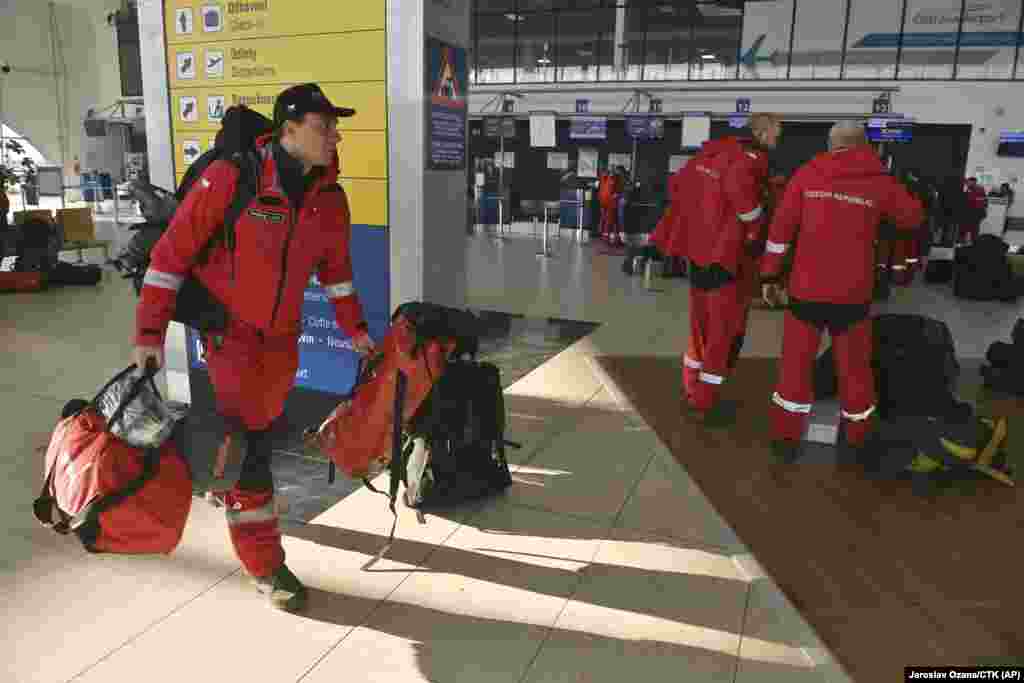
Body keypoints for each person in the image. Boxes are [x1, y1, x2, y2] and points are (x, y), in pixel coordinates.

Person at [133, 83, 375, 611]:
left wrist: (355, 330)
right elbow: (169, 259)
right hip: (228, 341)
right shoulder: (232, 180)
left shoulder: (329, 199)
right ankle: (266, 566)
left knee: (253, 436)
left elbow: (337, 276)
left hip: (281, 348)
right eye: (323, 125)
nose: (334, 134)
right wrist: (149, 334)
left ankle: (229, 485)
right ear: (288, 130)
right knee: (251, 455)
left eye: (335, 125)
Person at [760, 121, 924, 464]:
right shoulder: (880, 181)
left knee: (795, 367)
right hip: (853, 296)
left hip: (805, 291)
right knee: (855, 370)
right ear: (864, 145)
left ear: (831, 144)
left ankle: (785, 439)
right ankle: (858, 440)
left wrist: (770, 276)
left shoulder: (807, 174)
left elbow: (780, 230)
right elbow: (913, 218)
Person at [681, 113, 783, 424]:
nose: (778, 139)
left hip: (699, 255)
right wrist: (756, 226)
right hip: (730, 260)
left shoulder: (715, 155)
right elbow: (746, 204)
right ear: (762, 133)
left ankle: (690, 387)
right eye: (776, 133)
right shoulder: (751, 161)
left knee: (699, 329)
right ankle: (704, 400)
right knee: (723, 335)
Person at [960, 177, 988, 244]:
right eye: (967, 182)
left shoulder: (979, 189)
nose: (967, 183)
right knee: (968, 228)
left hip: (975, 212)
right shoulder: (969, 188)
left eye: (969, 182)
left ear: (974, 182)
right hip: (972, 212)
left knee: (973, 229)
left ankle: (973, 242)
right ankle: (967, 241)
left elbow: (975, 200)